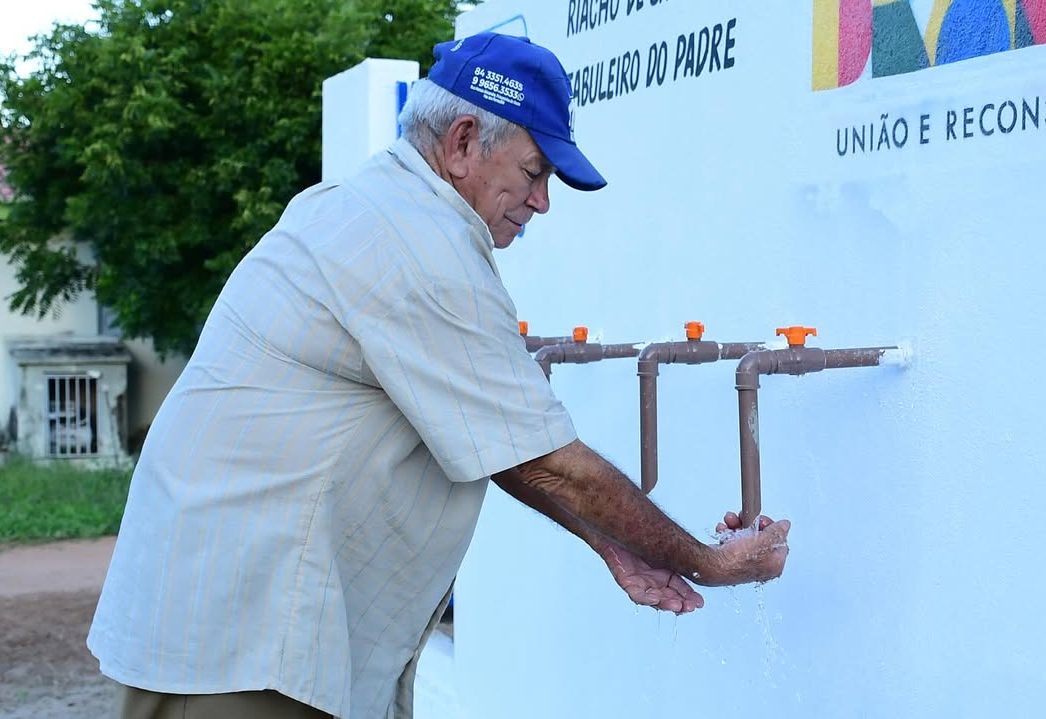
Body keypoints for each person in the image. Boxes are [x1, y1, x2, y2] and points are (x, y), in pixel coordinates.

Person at [88, 32, 791, 719]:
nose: (542, 202)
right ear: (460, 144)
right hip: (243, 637)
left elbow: (494, 438)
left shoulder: (375, 206)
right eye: (536, 171)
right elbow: (552, 462)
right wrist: (707, 560)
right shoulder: (419, 244)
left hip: (227, 620)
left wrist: (612, 542)